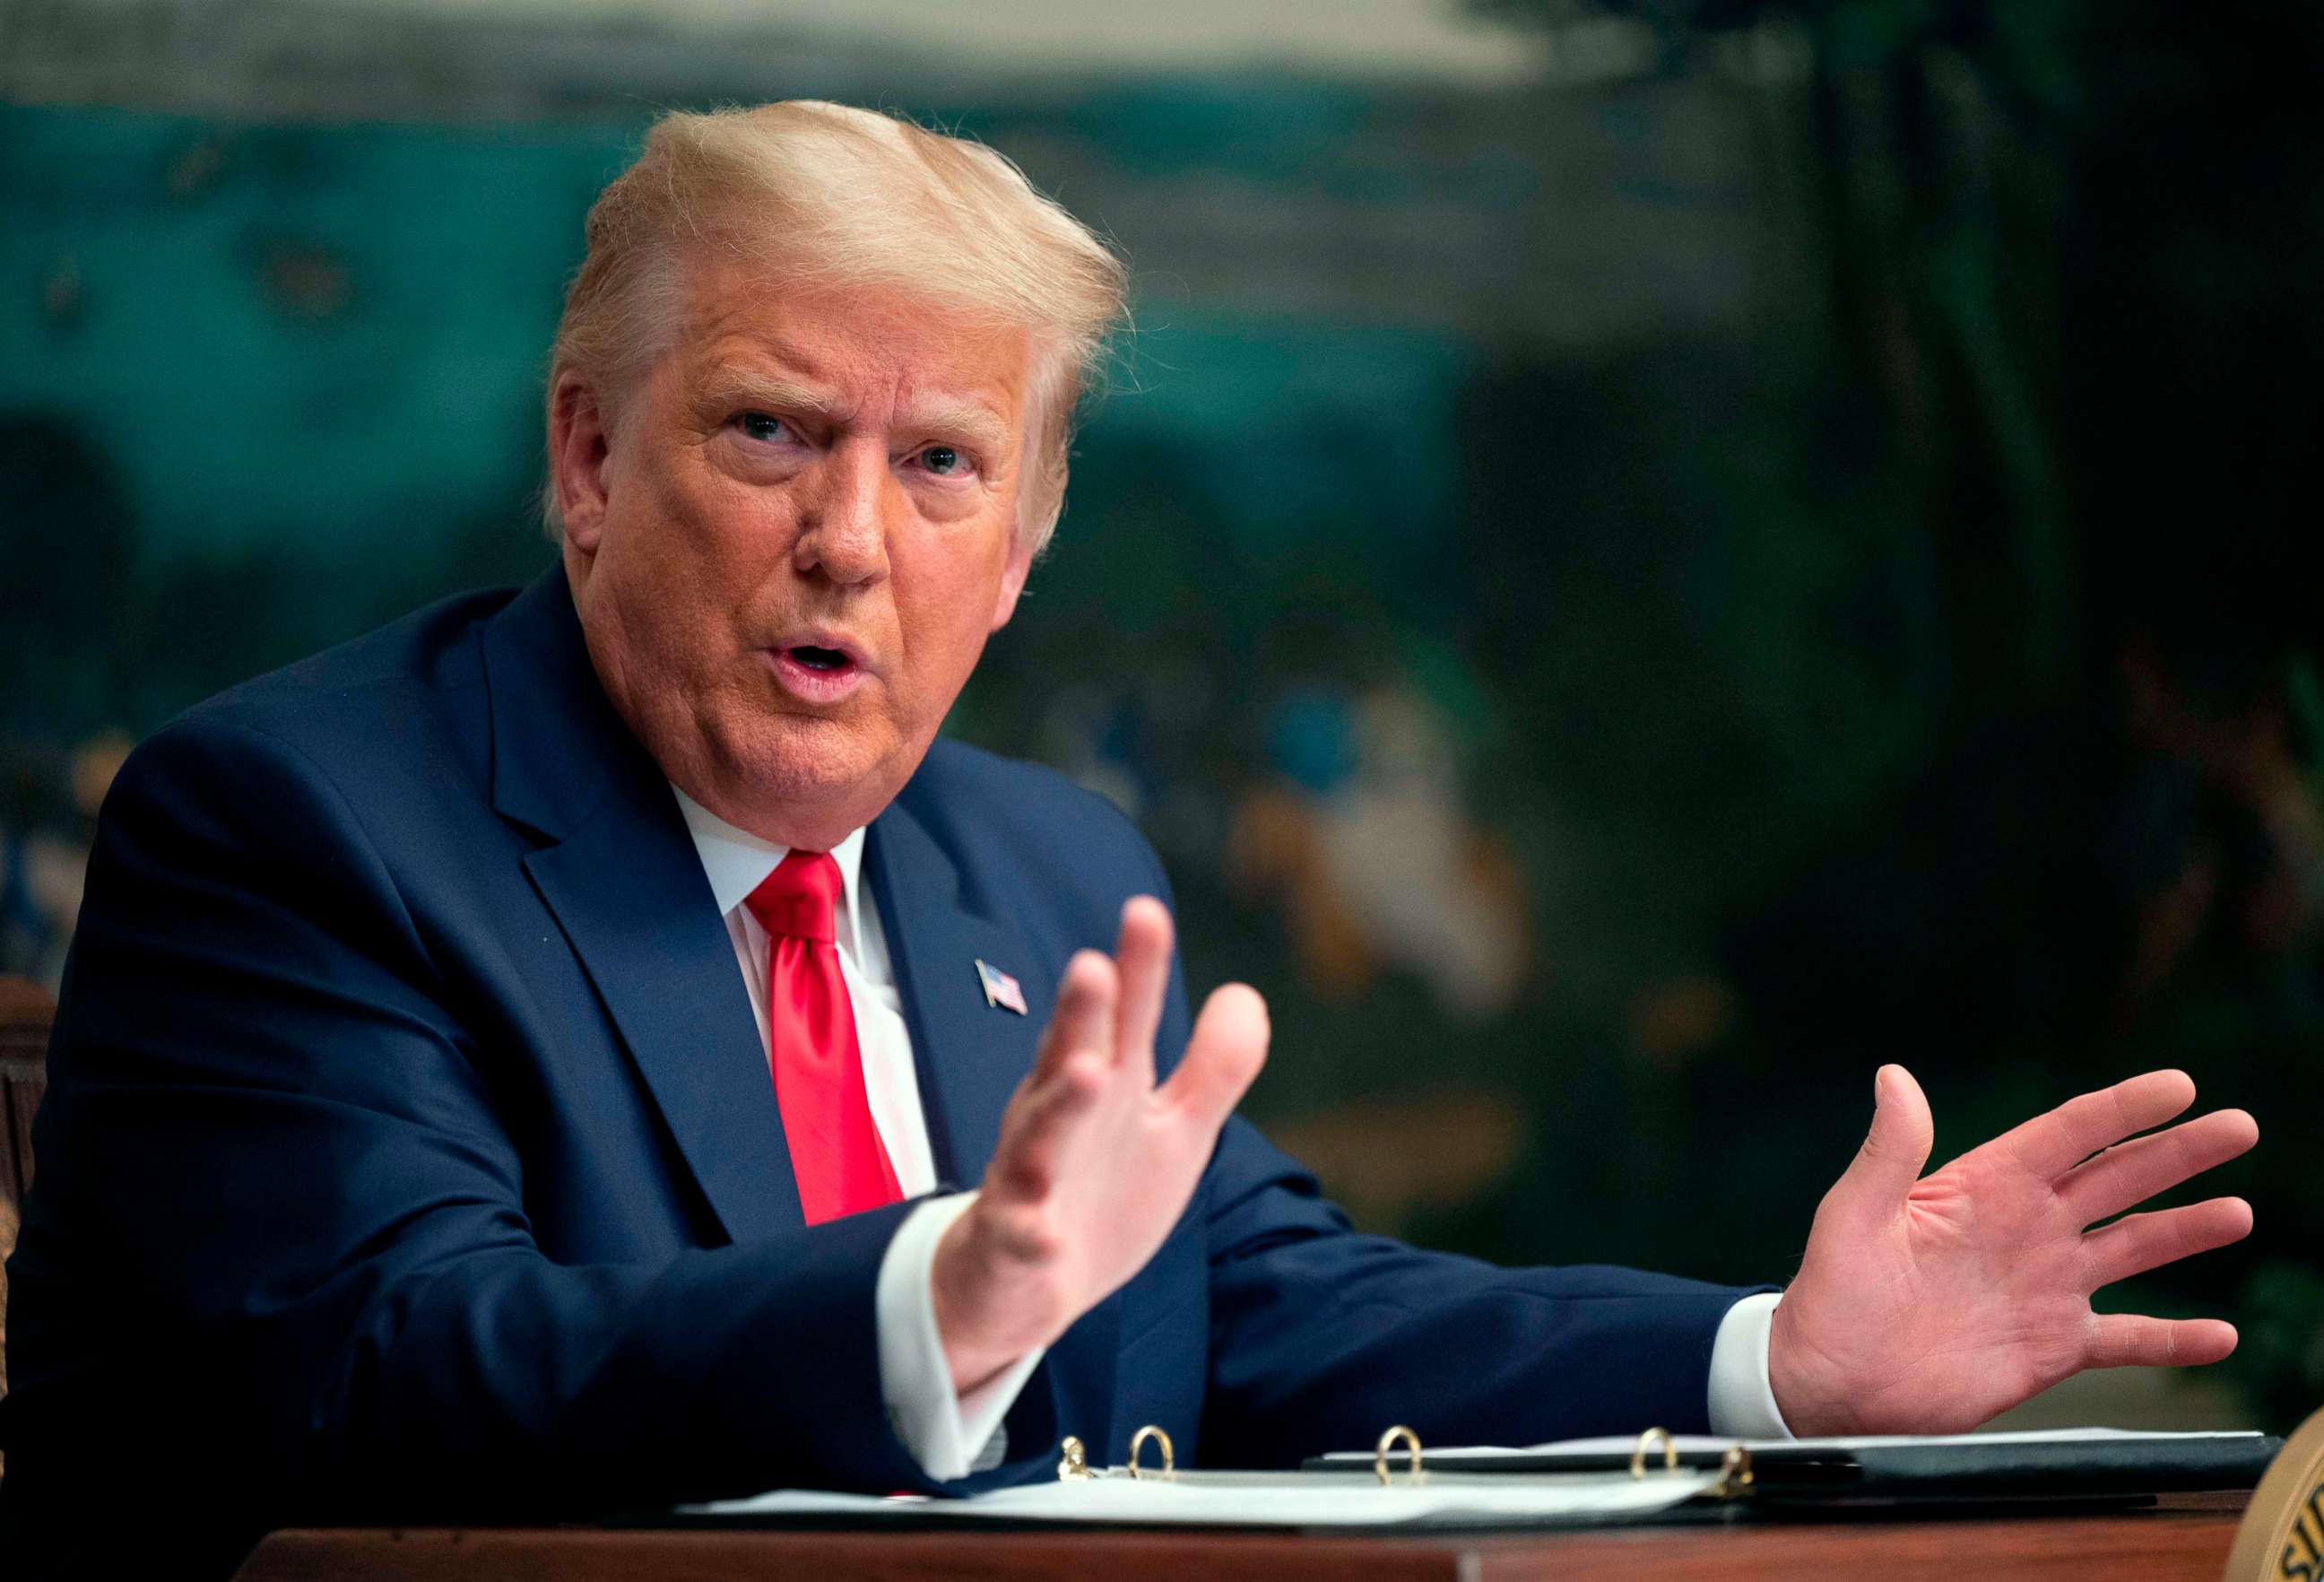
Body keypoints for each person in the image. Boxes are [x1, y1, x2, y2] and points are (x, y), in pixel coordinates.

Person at [0, 101, 2258, 1576]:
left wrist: (1780, 1362)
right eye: (769, 432)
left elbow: (1272, 1310)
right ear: (586, 458)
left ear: (1032, 535)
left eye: (943, 466)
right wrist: (930, 1296)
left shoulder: (1049, 872)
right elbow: (385, 1377)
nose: (849, 543)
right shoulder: (296, 827)